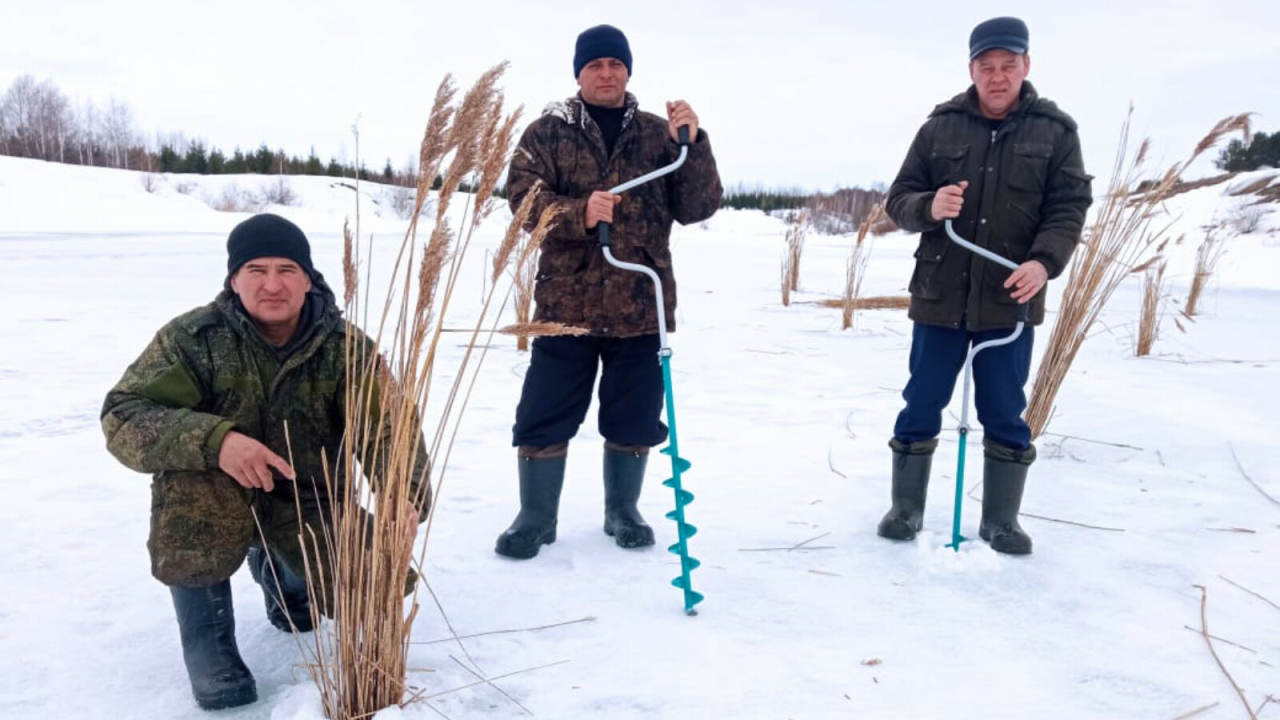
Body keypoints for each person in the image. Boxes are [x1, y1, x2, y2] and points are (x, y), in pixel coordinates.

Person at [101, 213, 430, 710]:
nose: (272, 284)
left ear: (308, 278)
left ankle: (283, 575)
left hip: (309, 495)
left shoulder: (345, 347)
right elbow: (123, 414)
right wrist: (218, 441)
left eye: (286, 270)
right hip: (212, 495)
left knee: (377, 580)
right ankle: (211, 647)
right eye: (256, 270)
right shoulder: (194, 338)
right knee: (191, 504)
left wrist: (401, 495)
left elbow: (391, 428)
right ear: (234, 279)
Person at [496, 24, 723, 559]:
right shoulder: (546, 133)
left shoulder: (656, 134)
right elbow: (522, 202)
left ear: (627, 71)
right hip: (565, 308)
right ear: (578, 73)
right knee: (543, 412)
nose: (605, 73)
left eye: (614, 65)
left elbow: (699, 206)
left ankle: (623, 510)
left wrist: (693, 142)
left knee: (634, 416)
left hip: (640, 307)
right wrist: (579, 212)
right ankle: (536, 516)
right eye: (595, 65)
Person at [878, 16, 1093, 555]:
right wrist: (928, 206)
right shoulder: (939, 128)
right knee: (921, 401)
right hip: (939, 296)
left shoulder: (1056, 132)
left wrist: (1045, 263)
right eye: (986, 67)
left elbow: (1068, 209)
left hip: (1010, 301)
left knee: (1003, 408)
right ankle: (906, 509)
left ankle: (1001, 521)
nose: (997, 77)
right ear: (971, 69)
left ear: (1026, 65)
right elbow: (898, 199)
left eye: (1008, 65)